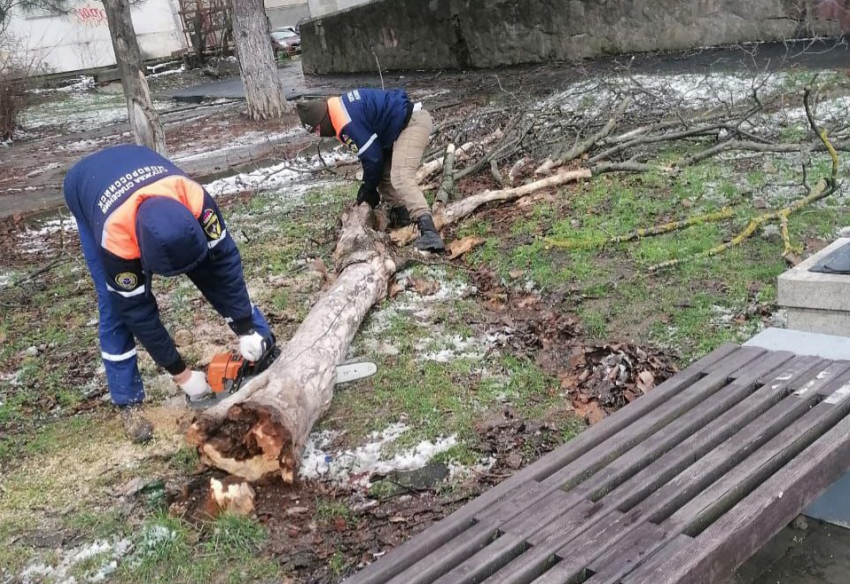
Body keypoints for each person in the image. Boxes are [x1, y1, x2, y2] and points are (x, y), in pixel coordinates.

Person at [64, 145, 274, 443]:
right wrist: (182, 375)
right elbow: (137, 311)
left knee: (212, 271)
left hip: (136, 160)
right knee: (114, 305)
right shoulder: (117, 240)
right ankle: (128, 402)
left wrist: (245, 327)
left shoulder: (197, 200)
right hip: (86, 185)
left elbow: (225, 262)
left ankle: (261, 343)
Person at [296, 88, 445, 252]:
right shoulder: (341, 109)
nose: (319, 134)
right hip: (397, 129)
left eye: (317, 129)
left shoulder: (345, 120)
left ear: (322, 118)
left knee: (401, 176)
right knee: (383, 177)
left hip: (413, 123)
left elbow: (372, 157)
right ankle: (404, 216)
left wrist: (368, 188)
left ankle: (429, 231)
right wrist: (371, 184)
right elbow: (373, 156)